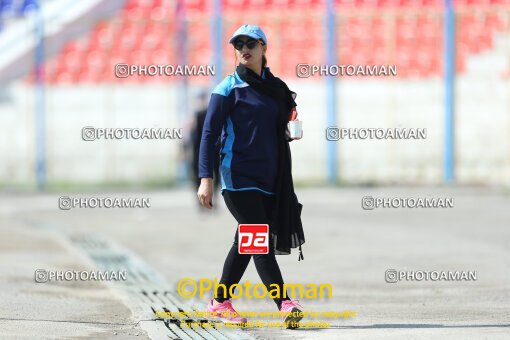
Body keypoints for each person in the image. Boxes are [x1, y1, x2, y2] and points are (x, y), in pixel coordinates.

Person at [197, 24, 305, 328]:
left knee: (246, 241)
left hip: (271, 178)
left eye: (251, 43)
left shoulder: (277, 89)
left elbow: (285, 122)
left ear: (263, 49)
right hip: (238, 177)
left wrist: (291, 130)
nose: (244, 48)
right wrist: (206, 178)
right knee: (258, 238)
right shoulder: (227, 88)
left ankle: (219, 302)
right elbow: (209, 135)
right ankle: (284, 303)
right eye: (238, 44)